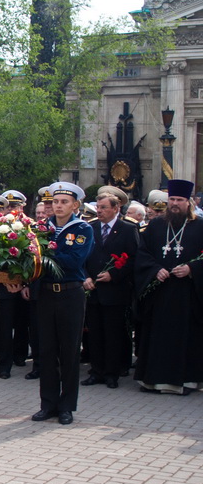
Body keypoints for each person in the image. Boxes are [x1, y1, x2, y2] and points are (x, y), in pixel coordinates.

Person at [30, 182, 94, 425]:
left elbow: (73, 261)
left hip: (70, 294)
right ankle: (48, 403)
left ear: (75, 205)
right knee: (46, 350)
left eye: (64, 202)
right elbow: (32, 259)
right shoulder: (41, 228)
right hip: (46, 293)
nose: (57, 206)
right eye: (54, 202)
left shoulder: (82, 229)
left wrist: (45, 253)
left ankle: (67, 406)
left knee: (69, 351)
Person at [134, 179, 203, 395]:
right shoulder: (155, 225)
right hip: (160, 292)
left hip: (187, 295)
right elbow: (142, 254)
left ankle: (186, 381)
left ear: (189, 202)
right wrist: (155, 269)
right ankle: (154, 380)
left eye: (179, 200)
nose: (174, 203)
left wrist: (192, 270)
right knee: (158, 336)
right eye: (171, 199)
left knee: (185, 337)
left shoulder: (200, 226)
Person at [81, 193, 139, 389]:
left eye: (104, 207)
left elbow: (133, 259)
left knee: (113, 334)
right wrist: (86, 277)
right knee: (95, 334)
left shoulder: (128, 229)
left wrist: (114, 274)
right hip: (93, 290)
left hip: (115, 291)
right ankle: (96, 371)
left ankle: (111, 374)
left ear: (116, 209)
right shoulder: (90, 228)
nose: (99, 211)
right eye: (98, 207)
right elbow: (82, 257)